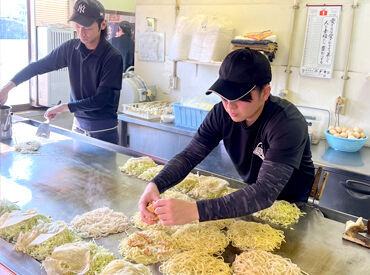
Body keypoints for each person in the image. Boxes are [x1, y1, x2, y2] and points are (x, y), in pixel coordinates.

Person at [139, 48, 315, 225]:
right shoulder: (221, 113)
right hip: (251, 198)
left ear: (265, 93)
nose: (230, 107)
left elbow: (265, 192)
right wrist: (155, 184)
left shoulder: (286, 123)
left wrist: (194, 211)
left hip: (291, 207)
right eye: (224, 97)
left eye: (241, 98)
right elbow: (189, 155)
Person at [0, 0, 123, 144]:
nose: (81, 32)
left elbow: (101, 100)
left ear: (102, 24)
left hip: (103, 132)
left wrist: (64, 107)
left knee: (104, 167)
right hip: (78, 127)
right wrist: (6, 88)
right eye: (77, 26)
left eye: (87, 27)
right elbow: (38, 66)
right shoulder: (71, 48)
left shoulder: (112, 57)